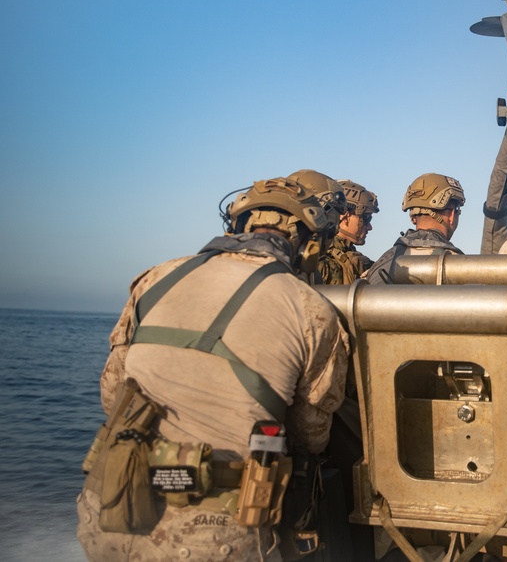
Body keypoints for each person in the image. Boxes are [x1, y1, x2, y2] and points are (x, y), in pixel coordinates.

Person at [77, 176, 351, 561]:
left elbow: (112, 395)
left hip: (111, 506)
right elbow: (311, 432)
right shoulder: (312, 311)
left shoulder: (156, 277)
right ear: (309, 244)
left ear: (235, 226)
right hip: (215, 532)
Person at [365, 173, 465, 285]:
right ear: (451, 215)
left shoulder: (382, 263)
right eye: (457, 210)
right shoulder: (459, 266)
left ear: (412, 216)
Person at [319, 180, 379, 285]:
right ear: (345, 217)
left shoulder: (354, 258)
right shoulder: (320, 261)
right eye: (365, 218)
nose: (369, 227)